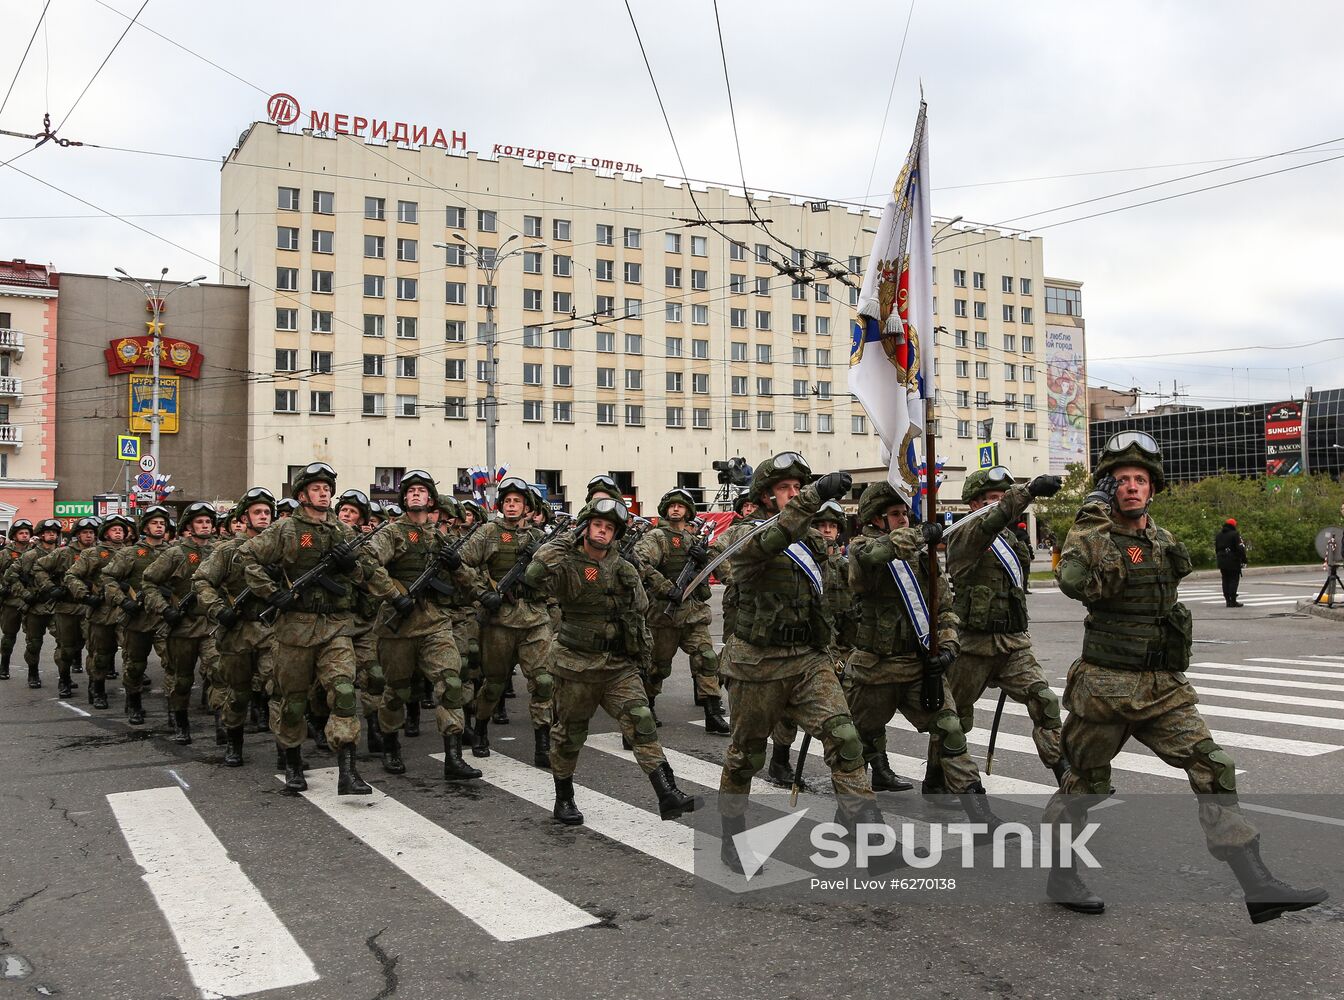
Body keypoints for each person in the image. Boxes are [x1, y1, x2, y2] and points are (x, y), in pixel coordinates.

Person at [1046, 431, 1327, 922]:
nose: (1131, 487)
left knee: (1213, 765)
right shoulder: (1093, 535)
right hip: (1106, 690)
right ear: (1106, 489)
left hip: (1161, 690)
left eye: (1139, 480)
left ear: (1153, 488)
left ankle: (1256, 885)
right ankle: (1061, 871)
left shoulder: (1163, 540)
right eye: (1120, 480)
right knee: (1084, 786)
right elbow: (1073, 583)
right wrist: (1091, 517)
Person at [717, 453, 884, 870]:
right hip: (757, 664)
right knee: (745, 756)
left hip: (808, 660)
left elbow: (833, 598)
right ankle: (732, 834)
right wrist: (814, 496)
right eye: (785, 489)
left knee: (846, 739)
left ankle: (863, 831)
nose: (794, 495)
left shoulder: (812, 541)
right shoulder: (740, 534)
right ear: (765, 497)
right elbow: (771, 540)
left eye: (799, 487)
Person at [520, 497, 700, 825]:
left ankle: (667, 793)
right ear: (586, 528)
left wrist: (642, 656)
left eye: (609, 528)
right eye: (597, 525)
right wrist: (563, 541)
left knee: (641, 721)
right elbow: (533, 576)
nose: (602, 532)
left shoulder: (623, 567)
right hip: (576, 666)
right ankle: (564, 798)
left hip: (618, 667)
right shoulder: (565, 563)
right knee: (570, 734)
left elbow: (640, 611)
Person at [846, 483, 1006, 823]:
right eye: (895, 514)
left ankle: (979, 811)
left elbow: (944, 609)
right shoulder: (861, 548)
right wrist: (920, 533)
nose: (903, 518)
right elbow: (876, 555)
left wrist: (948, 647)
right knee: (857, 743)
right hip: (875, 670)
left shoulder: (923, 558)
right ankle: (856, 817)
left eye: (905, 512)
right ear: (876, 520)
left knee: (950, 729)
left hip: (918, 668)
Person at [236, 463, 399, 795]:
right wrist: (271, 592)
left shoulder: (343, 532)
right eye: (316, 488)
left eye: (327, 488)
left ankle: (348, 771)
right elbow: (245, 557)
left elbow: (370, 572)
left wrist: (352, 567)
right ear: (301, 495)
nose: (324, 492)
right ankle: (293, 762)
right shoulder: (286, 530)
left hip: (336, 626)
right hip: (295, 628)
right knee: (294, 701)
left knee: (343, 691)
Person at [931, 467, 1065, 796]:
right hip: (972, 644)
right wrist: (1029, 489)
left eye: (1004, 498)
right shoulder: (965, 535)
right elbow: (991, 522)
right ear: (975, 504)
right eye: (994, 499)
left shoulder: (1008, 539)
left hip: (1012, 643)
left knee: (1044, 699)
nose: (1002, 504)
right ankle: (935, 779)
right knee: (954, 718)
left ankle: (1069, 775)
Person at [368, 470, 481, 781]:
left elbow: (470, 583)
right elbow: (367, 561)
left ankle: (454, 756)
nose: (416, 495)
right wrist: (393, 594)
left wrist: (457, 566)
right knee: (396, 691)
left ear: (431, 499)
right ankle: (390, 745)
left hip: (435, 622)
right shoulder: (390, 534)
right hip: (398, 625)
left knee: (451, 682)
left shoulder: (442, 538)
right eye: (411, 491)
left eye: (422, 491)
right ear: (404, 498)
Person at [460, 476, 554, 765]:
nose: (512, 505)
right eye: (508, 501)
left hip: (534, 619)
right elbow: (461, 562)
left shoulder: (539, 538)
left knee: (543, 681)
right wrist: (481, 592)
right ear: (501, 505)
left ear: (527, 506)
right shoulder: (487, 532)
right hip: (499, 620)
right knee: (494, 683)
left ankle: (543, 744)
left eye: (518, 501)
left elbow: (559, 572)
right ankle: (481, 730)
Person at [634, 488, 730, 733]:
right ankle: (648, 706)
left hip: (693, 611)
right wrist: (666, 588)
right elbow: (641, 563)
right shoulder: (656, 537)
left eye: (681, 506)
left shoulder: (694, 540)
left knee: (707, 658)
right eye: (672, 505)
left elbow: (713, 571)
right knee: (657, 666)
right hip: (664, 613)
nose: (676, 509)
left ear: (689, 511)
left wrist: (703, 558)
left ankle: (712, 711)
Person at [193, 488, 277, 767]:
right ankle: (234, 740)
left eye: (267, 512)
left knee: (277, 687)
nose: (263, 516)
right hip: (238, 630)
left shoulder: (279, 549)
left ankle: (287, 751)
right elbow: (203, 582)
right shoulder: (227, 551)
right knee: (238, 693)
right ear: (245, 517)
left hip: (271, 628)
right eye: (257, 512)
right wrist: (218, 609)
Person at [142, 503, 219, 744]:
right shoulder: (175, 553)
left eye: (208, 522)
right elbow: (149, 583)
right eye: (199, 522)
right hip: (183, 626)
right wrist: (164, 609)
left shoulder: (219, 551)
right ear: (189, 527)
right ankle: (180, 721)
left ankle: (222, 725)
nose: (205, 525)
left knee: (218, 673)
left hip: (211, 625)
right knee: (182, 678)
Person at [103, 506, 173, 725]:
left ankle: (174, 708)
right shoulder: (130, 553)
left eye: (162, 523)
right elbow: (108, 579)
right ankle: (133, 703)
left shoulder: (174, 552)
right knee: (134, 665)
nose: (159, 526)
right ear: (145, 527)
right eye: (155, 523)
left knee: (173, 664)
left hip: (164, 617)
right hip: (137, 617)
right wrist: (123, 600)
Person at [65, 514, 134, 710]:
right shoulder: (92, 554)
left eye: (121, 529)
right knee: (100, 655)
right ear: (105, 533)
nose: (118, 532)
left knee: (131, 654)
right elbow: (71, 576)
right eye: (114, 529)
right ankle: (97, 689)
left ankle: (132, 696)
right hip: (101, 611)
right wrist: (85, 596)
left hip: (127, 610)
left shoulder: (133, 552)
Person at [35, 516, 100, 698]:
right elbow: (39, 568)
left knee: (95, 648)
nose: (88, 536)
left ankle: (95, 685)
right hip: (67, 607)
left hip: (92, 608)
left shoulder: (100, 553)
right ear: (77, 535)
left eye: (91, 532)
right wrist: (50, 588)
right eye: (84, 532)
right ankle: (64, 679)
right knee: (66, 648)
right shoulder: (63, 553)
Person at [9, 518, 62, 689]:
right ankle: (33, 673)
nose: (51, 534)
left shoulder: (64, 554)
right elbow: (10, 576)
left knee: (64, 642)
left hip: (57, 606)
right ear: (40, 535)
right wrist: (24, 593)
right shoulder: (30, 556)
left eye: (54, 532)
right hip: (35, 607)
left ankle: (65, 676)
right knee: (34, 644)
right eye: (48, 532)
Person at [0, 519, 33, 679]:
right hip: (11, 601)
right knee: (9, 635)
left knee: (33, 639)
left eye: (27, 533)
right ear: (14, 535)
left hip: (31, 600)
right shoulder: (5, 553)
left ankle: (33, 672)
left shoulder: (35, 551)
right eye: (21, 533)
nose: (25, 536)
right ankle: (4, 665)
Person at [1215, 518, 1249, 607]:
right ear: (1234, 525)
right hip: (1233, 560)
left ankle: (1227, 600)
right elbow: (1240, 548)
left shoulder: (1218, 535)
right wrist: (1244, 559)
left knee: (1225, 579)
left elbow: (1216, 548)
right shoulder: (1235, 534)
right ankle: (1233, 600)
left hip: (1221, 560)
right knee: (1233, 580)